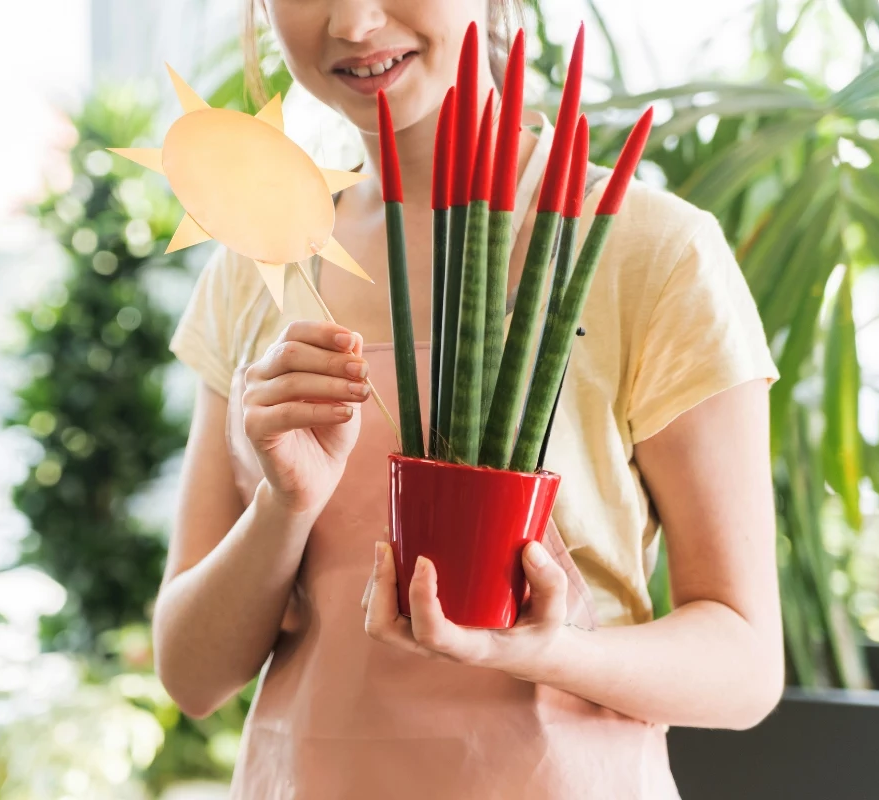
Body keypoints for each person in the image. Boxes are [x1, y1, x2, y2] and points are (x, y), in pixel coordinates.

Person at [154, 1, 785, 796]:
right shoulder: (259, 264)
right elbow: (192, 675)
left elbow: (746, 665)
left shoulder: (649, 247)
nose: (353, 23)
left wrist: (551, 651)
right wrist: (282, 507)